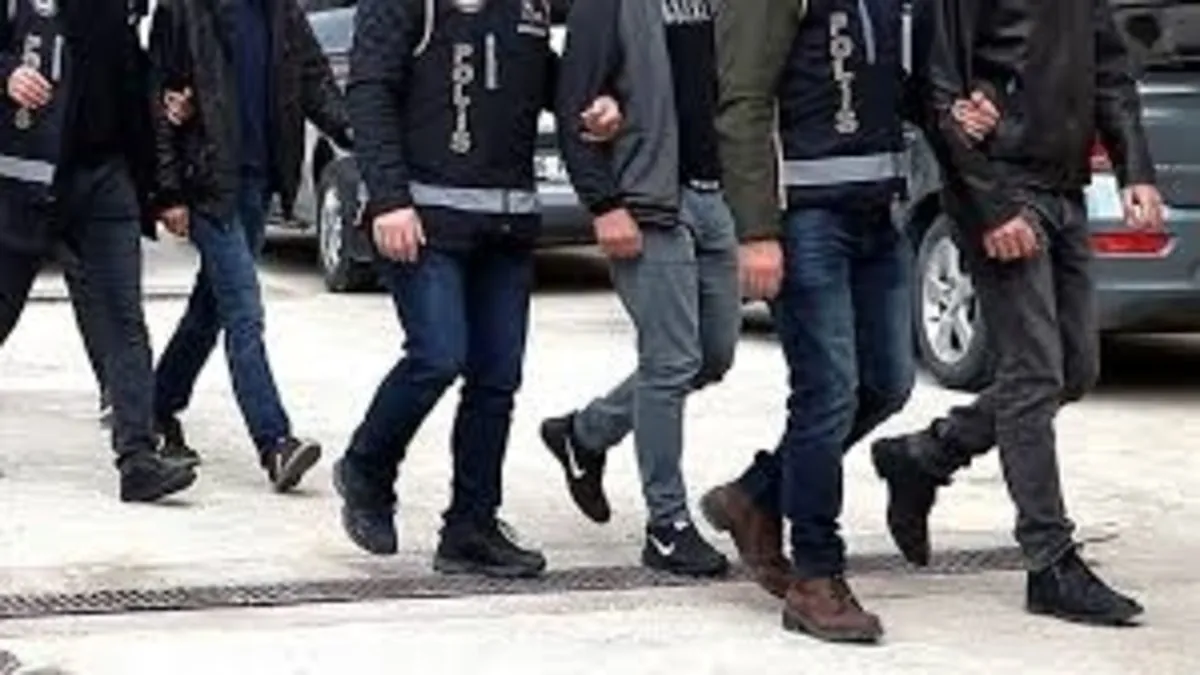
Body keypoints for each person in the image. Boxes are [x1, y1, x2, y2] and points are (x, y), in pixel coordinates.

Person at [702, 0, 999, 643]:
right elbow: (742, 104)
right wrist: (756, 230)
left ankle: (755, 494)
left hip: (877, 214)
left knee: (887, 384)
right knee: (827, 394)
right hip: (806, 219)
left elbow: (897, 85)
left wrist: (952, 111)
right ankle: (816, 576)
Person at [869, 0, 1163, 628]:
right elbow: (939, 91)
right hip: (1002, 186)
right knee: (1033, 375)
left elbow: (1109, 70)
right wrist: (990, 206)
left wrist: (1135, 168)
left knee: (1073, 371)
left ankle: (927, 455)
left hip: (1065, 188)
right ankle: (1049, 560)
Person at [333, 0, 621, 578]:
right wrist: (388, 199)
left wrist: (597, 105)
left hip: (506, 224)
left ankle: (470, 527)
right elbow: (369, 93)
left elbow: (545, 77)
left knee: (496, 380)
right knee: (438, 355)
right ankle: (367, 467)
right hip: (422, 220)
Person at [542, 0, 742, 579]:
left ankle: (585, 433)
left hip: (714, 199)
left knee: (712, 356)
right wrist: (604, 203)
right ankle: (667, 526)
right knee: (670, 362)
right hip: (649, 202)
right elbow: (575, 104)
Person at [146, 0, 351, 492]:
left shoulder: (281, 11)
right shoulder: (183, 9)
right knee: (244, 311)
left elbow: (315, 81)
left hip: (258, 184)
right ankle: (274, 442)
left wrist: (358, 135)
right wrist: (167, 192)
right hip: (207, 185)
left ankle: (154, 407)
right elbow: (157, 102)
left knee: (209, 311)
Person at [0, 0, 198, 502]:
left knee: (124, 318)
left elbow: (132, 73)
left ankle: (138, 459)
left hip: (106, 179)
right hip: (24, 179)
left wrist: (159, 181)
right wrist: (7, 74)